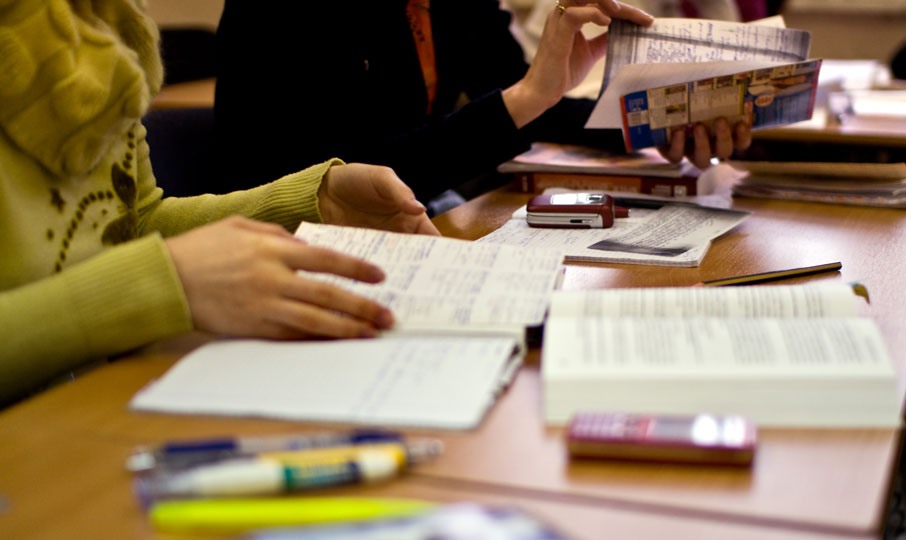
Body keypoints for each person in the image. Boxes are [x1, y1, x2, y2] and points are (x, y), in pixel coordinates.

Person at [0, 0, 440, 407]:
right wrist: (163, 279)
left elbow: (132, 221)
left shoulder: (104, 21)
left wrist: (311, 202)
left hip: (93, 405)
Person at [213, 0, 751, 208]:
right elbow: (337, 179)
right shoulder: (282, 11)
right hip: (305, 242)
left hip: (417, 225)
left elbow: (523, 106)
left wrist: (660, 117)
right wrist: (525, 99)